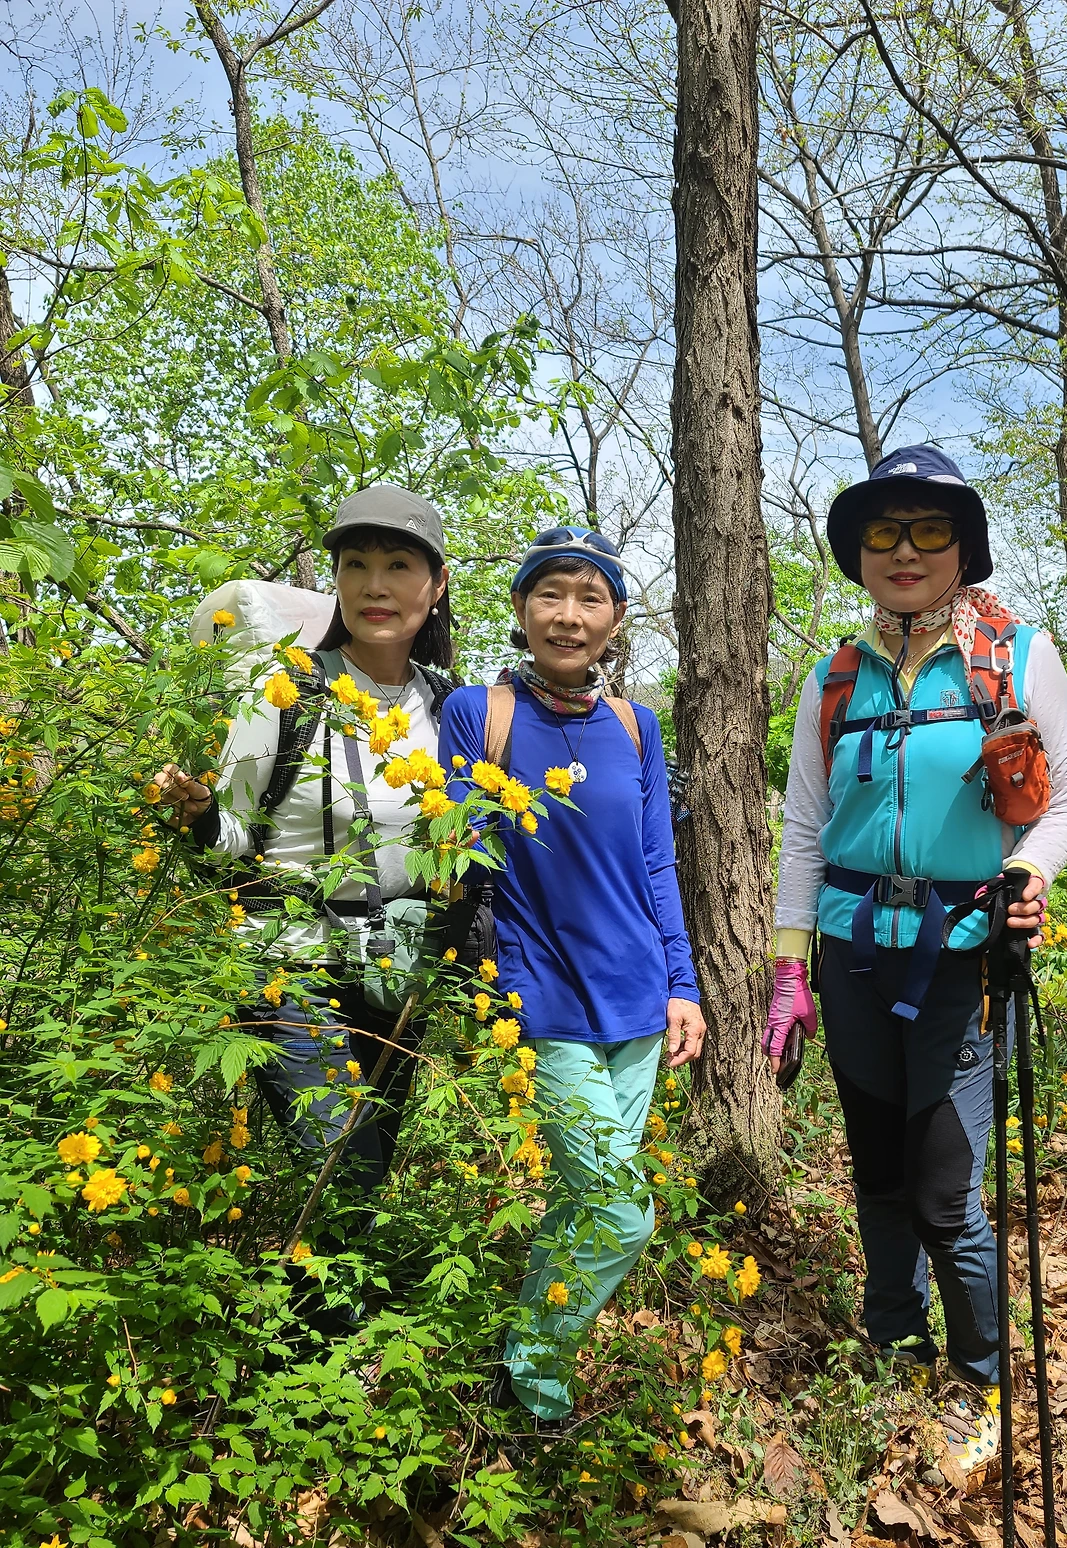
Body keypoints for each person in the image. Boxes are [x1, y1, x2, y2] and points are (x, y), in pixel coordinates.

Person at [762, 446, 1067, 1474]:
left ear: (963, 546)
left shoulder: (1017, 657)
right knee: (876, 1171)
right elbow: (803, 827)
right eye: (882, 532)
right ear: (858, 553)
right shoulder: (833, 675)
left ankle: (978, 1381)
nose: (904, 550)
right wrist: (788, 966)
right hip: (852, 956)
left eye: (929, 529)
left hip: (961, 958)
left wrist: (1029, 867)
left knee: (945, 1190)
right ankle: (892, 1338)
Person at [152, 485, 458, 1275]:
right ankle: (329, 1339)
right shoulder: (286, 689)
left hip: (394, 974)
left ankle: (312, 1330)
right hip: (290, 969)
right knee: (344, 1171)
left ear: (436, 584)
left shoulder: (447, 708)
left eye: (398, 566)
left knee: (361, 1183)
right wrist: (196, 813)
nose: (374, 586)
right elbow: (232, 839)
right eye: (355, 565)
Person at [438, 526, 705, 1425]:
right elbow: (458, 848)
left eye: (590, 598)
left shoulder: (636, 725)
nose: (568, 615)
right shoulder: (480, 713)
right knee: (624, 1213)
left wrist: (682, 984)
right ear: (520, 609)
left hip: (638, 999)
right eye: (550, 594)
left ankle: (524, 1375)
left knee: (583, 1204)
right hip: (543, 998)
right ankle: (534, 1374)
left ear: (616, 620)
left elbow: (657, 863)